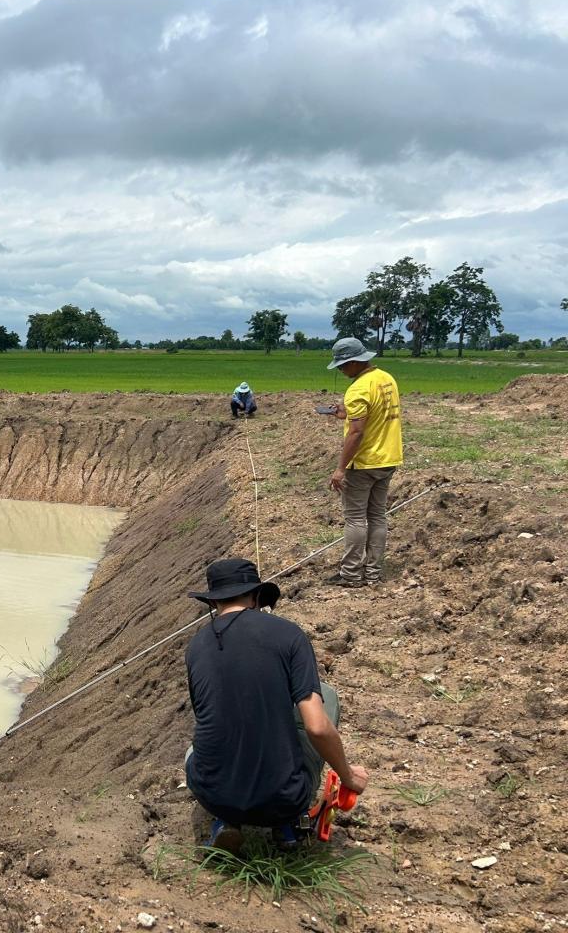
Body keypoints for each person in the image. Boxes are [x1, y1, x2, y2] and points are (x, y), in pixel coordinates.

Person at [184, 558, 368, 853]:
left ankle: (226, 820)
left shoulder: (195, 646)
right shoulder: (289, 634)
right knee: (326, 695)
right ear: (256, 596)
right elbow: (317, 728)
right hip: (284, 796)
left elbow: (212, 717)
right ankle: (289, 822)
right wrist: (348, 776)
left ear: (214, 602)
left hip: (213, 793)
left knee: (194, 750)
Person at [324, 337, 403, 587]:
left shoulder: (358, 388)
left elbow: (356, 433)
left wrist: (340, 468)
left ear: (356, 362)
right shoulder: (386, 378)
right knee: (377, 516)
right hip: (388, 458)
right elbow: (374, 413)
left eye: (343, 365)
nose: (341, 369)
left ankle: (351, 575)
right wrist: (346, 413)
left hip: (365, 462)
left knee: (356, 519)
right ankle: (373, 572)